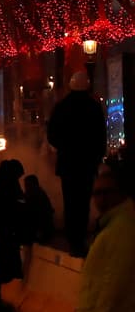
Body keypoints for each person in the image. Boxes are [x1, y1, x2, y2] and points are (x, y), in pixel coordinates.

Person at [47, 71, 107, 256]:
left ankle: (72, 238)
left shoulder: (61, 107)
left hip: (68, 164)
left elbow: (52, 135)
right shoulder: (93, 107)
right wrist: (96, 157)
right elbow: (101, 137)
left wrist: (64, 148)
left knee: (70, 201)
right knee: (83, 201)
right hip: (87, 164)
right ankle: (80, 238)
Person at [77, 167, 135, 312]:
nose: (100, 199)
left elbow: (114, 284)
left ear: (121, 193)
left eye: (106, 192)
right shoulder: (112, 224)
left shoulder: (122, 227)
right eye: (96, 193)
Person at [0, 159, 25, 308]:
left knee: (1, 261)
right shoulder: (10, 184)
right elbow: (18, 203)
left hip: (0, 229)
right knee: (2, 262)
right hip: (6, 229)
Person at [22, 174, 55, 245]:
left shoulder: (39, 196)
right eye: (26, 185)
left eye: (28, 185)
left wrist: (40, 231)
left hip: (41, 229)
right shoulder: (30, 193)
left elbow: (43, 215)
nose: (26, 187)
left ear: (34, 184)